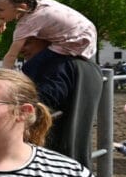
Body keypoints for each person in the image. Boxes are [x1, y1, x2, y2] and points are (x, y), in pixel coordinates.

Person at [19, 36, 102, 168]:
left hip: (51, 156)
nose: (21, 49)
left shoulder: (55, 65)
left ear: (50, 39)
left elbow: (41, 104)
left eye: (28, 42)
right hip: (77, 152)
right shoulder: (90, 66)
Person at [0, 0, 96, 70]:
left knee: (31, 67)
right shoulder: (37, 2)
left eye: (0, 10)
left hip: (75, 43)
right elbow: (16, 11)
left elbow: (11, 56)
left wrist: (4, 76)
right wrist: (3, 20)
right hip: (87, 30)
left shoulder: (27, 24)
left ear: (22, 7)